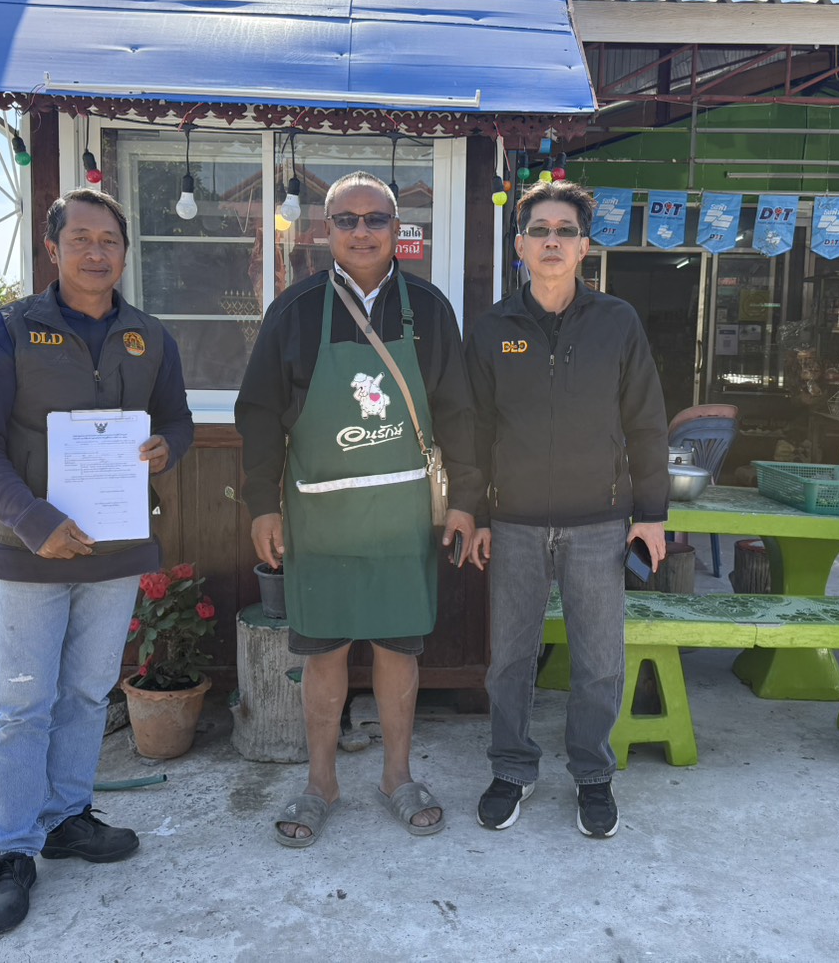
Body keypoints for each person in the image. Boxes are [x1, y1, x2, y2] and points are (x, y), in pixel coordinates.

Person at [0, 188, 194, 935]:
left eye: (109, 240)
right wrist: (32, 520)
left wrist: (168, 447)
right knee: (24, 702)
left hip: (114, 552)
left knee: (88, 695)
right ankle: (11, 851)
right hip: (31, 553)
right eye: (80, 239)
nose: (96, 252)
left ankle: (66, 818)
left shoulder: (148, 336)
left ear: (125, 252)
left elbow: (177, 419)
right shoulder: (8, 331)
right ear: (52, 249)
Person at [235, 170, 478, 847]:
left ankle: (398, 777)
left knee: (398, 647)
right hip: (319, 513)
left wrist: (466, 500)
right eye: (347, 219)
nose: (362, 231)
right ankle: (321, 782)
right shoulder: (294, 310)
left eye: (376, 219)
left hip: (402, 513)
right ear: (326, 231)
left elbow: (458, 412)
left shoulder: (429, 309)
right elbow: (258, 414)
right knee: (324, 651)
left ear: (397, 229)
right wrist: (262, 504)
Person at [464, 179, 668, 839]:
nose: (551, 241)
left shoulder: (617, 322)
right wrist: (474, 512)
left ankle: (592, 774)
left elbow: (645, 420)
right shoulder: (493, 328)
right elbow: (473, 429)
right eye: (539, 231)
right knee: (508, 660)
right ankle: (511, 767)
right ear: (520, 246)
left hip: (598, 522)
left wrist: (651, 512)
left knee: (600, 661)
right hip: (515, 523)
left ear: (584, 247)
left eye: (565, 232)